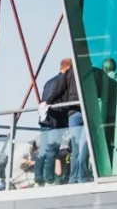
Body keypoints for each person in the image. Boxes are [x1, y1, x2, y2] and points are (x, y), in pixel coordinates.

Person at [36, 58, 78, 186]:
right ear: (69, 69)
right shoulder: (63, 81)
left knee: (43, 150)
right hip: (56, 121)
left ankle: (38, 178)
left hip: (45, 120)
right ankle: (49, 179)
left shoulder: (48, 82)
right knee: (52, 151)